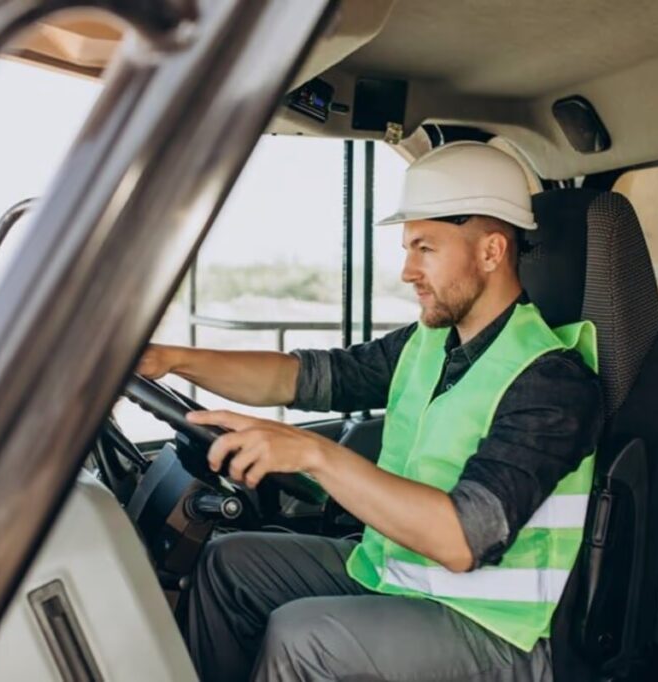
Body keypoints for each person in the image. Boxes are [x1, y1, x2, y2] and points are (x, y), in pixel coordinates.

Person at [138, 140, 603, 681]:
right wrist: (170, 359)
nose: (407, 271)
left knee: (304, 638)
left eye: (425, 248)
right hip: (394, 574)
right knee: (228, 563)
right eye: (408, 248)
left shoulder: (552, 380)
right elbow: (304, 377)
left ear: (492, 252)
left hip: (494, 630)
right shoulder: (429, 344)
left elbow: (461, 540)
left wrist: (313, 455)